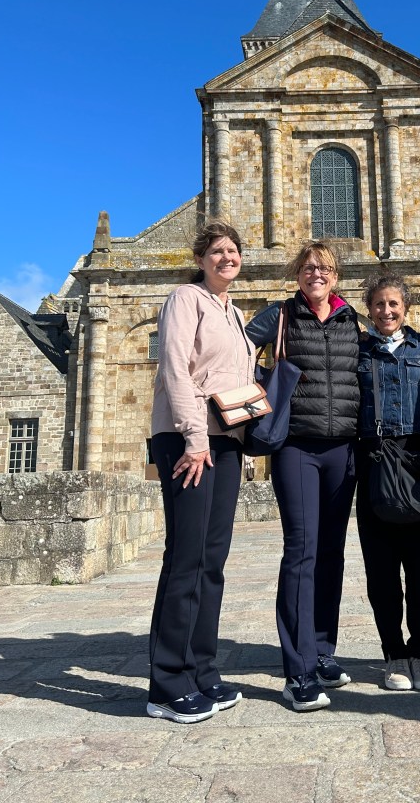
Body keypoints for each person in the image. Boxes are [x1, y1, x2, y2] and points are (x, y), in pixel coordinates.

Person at [147, 219, 254, 723]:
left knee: (212, 561)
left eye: (233, 251)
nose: (226, 258)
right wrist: (194, 437)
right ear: (200, 259)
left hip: (225, 442)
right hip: (188, 440)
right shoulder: (184, 299)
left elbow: (233, 379)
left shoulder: (234, 312)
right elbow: (175, 369)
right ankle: (168, 684)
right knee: (186, 558)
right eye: (216, 251)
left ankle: (202, 671)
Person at [246, 242, 360, 712]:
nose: (317, 274)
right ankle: (298, 671)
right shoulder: (280, 315)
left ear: (336, 276)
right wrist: (258, 390)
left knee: (331, 552)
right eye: (309, 267)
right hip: (295, 446)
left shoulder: (351, 319)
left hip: (343, 448)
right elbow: (236, 349)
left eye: (325, 268)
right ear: (298, 274)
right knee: (301, 550)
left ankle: (322, 650)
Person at [356, 274, 420, 692]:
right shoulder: (358, 351)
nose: (386, 311)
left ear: (406, 307)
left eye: (393, 304)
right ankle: (393, 652)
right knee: (382, 570)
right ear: (369, 309)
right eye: (378, 304)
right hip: (374, 461)